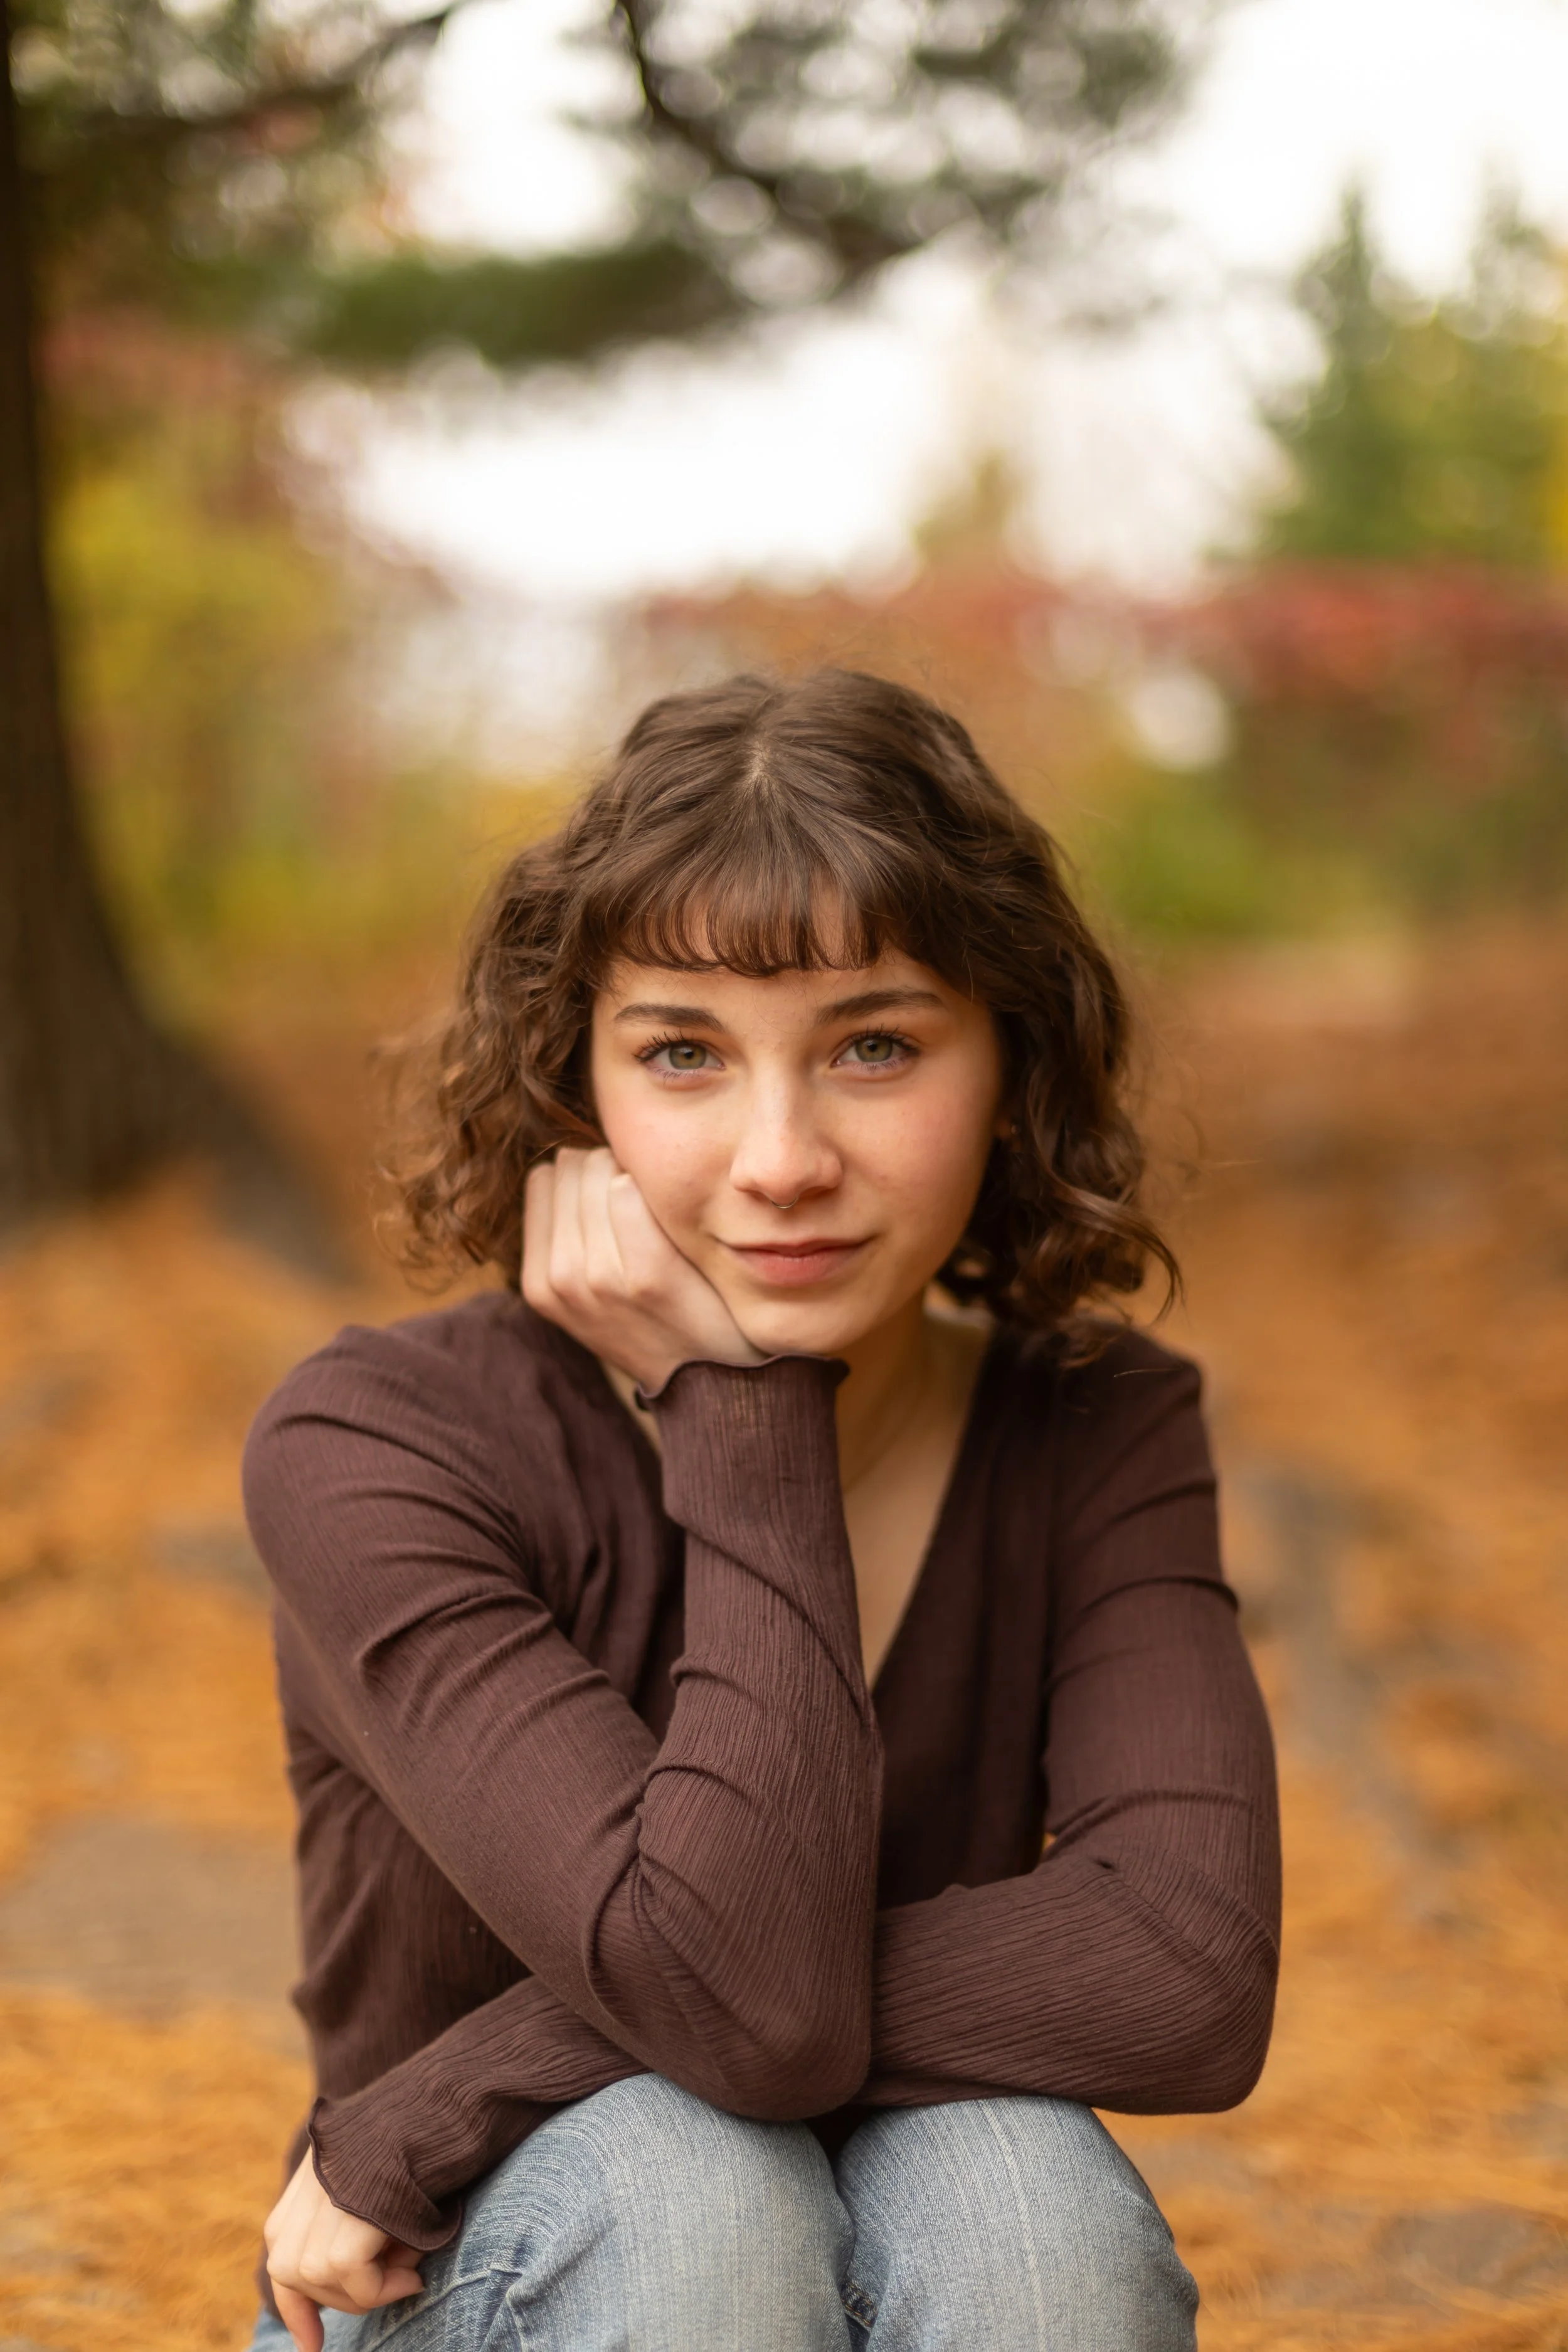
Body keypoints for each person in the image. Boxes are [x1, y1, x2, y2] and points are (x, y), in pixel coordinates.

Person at [241, 669, 1280, 2352]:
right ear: (575, 1090)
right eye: (681, 1054)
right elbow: (750, 2014)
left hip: (847, 2231)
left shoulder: (1093, 1424)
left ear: (1010, 1060)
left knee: (1031, 2199)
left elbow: (1183, 1964)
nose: (781, 1157)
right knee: (691, 2185)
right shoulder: (381, 1441)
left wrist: (464, 2078)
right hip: (461, 2287)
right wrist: (745, 1406)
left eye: (874, 1044)